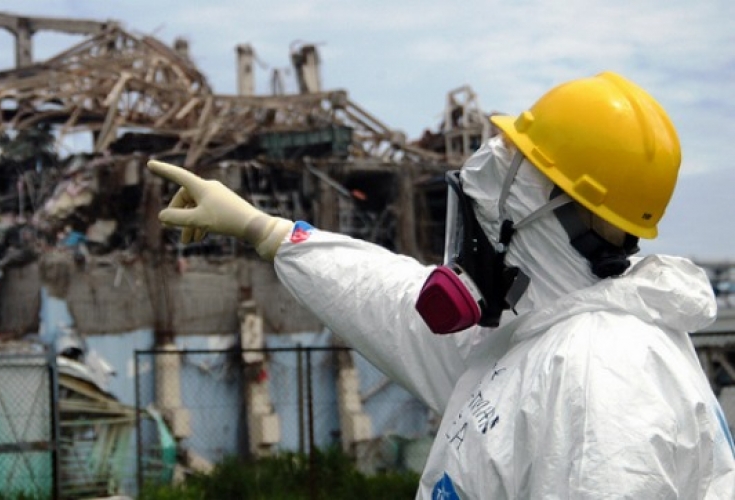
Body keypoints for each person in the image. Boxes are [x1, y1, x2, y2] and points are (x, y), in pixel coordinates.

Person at [147, 71, 735, 498]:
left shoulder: (600, 379)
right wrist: (266, 230)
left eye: (509, 169)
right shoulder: (540, 331)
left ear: (536, 203)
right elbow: (391, 301)